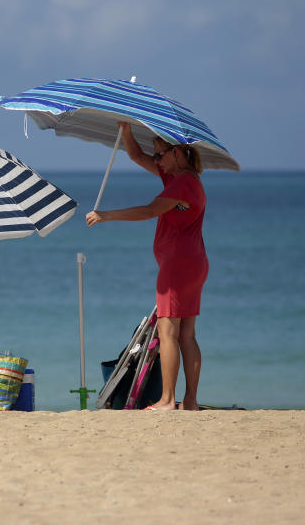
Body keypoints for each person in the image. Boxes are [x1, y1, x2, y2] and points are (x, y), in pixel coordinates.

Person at [85, 122, 208, 411]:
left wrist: (106, 215)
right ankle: (189, 401)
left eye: (160, 155)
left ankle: (167, 399)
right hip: (192, 262)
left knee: (168, 332)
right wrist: (126, 131)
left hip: (178, 265)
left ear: (177, 153)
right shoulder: (182, 178)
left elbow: (150, 210)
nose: (156, 161)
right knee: (187, 334)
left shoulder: (182, 184)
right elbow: (137, 157)